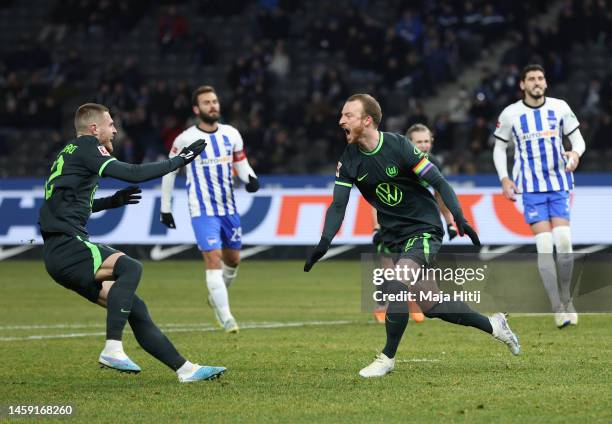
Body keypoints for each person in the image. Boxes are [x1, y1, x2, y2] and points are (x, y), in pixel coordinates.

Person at [304, 94, 520, 378]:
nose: (340, 120)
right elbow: (339, 205)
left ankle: (387, 358)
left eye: (348, 115)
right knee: (432, 305)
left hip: (424, 230)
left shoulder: (398, 146)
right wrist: (325, 240)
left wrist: (459, 218)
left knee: (395, 284)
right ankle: (494, 326)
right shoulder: (349, 160)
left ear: (367, 120)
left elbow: (438, 181)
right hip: (394, 237)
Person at [39, 103, 226, 383]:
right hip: (68, 245)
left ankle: (186, 370)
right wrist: (180, 161)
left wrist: (110, 202)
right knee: (131, 267)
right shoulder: (89, 146)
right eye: (110, 124)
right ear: (93, 129)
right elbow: (134, 173)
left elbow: (67, 203)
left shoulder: (69, 154)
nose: (114, 130)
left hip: (60, 252)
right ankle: (113, 347)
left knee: (134, 306)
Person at [160, 85, 259, 333]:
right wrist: (165, 208)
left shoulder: (232, 134)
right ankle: (226, 318)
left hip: (229, 208)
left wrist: (251, 179)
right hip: (202, 210)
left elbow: (242, 164)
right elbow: (169, 172)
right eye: (206, 103)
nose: (212, 106)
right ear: (196, 109)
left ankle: (216, 298)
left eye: (215, 101)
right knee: (213, 260)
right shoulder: (184, 139)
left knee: (233, 261)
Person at [493, 64, 585, 328]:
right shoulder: (511, 114)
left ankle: (567, 298)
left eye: (540, 78)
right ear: (522, 84)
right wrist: (504, 178)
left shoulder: (560, 107)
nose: (537, 82)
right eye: (531, 78)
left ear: (545, 83)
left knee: (564, 241)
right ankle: (557, 306)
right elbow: (499, 149)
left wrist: (575, 153)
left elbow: (578, 140)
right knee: (545, 246)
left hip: (558, 184)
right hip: (530, 188)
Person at [371, 123, 457, 324]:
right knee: (387, 264)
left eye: (427, 141)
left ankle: (415, 303)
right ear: (408, 143)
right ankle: (382, 305)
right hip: (392, 220)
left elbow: (439, 196)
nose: (424, 146)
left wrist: (450, 222)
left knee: (416, 261)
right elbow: (378, 197)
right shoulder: (396, 162)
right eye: (419, 142)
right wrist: (376, 227)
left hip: (416, 222)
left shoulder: (433, 163)